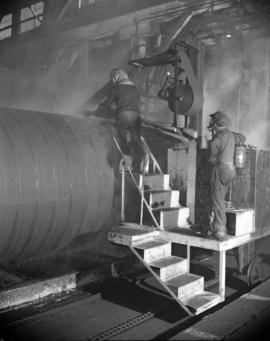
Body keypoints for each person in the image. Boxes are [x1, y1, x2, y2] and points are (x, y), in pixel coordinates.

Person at [207, 111, 246, 241]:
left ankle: (219, 231)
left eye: (213, 121)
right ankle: (214, 227)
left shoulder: (217, 137)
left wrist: (212, 159)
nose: (211, 123)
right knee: (220, 198)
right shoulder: (231, 135)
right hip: (231, 170)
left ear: (217, 123)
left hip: (220, 169)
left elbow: (213, 149)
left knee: (217, 201)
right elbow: (242, 137)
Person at [100, 68, 146, 172]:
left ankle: (125, 158)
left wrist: (99, 110)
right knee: (136, 140)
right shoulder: (135, 88)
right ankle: (138, 163)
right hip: (135, 118)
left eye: (113, 77)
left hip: (123, 116)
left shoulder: (117, 88)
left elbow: (107, 104)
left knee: (120, 137)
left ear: (117, 76)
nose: (113, 80)